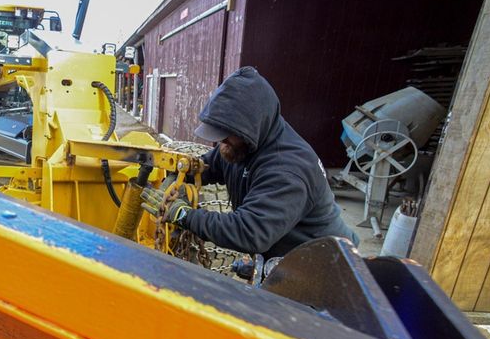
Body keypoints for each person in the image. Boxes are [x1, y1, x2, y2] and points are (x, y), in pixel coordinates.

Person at [141, 67, 358, 259]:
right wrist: (177, 177)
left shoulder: (288, 170)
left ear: (251, 127)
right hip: (286, 259)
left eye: (227, 135)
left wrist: (183, 215)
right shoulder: (240, 145)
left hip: (325, 267)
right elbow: (207, 166)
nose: (220, 142)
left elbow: (249, 232)